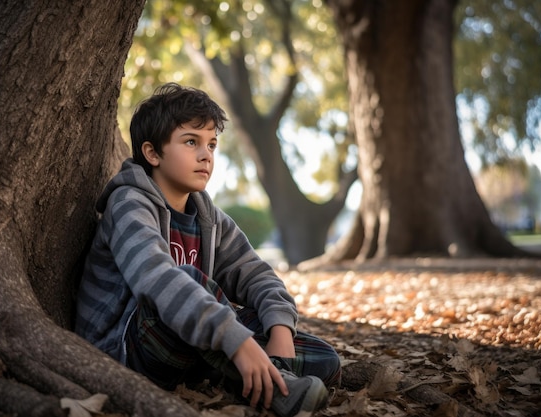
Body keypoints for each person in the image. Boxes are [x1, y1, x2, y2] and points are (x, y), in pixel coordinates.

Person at [75, 83, 341, 417]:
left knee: (323, 359)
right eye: (191, 142)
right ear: (153, 153)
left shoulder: (208, 216)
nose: (207, 155)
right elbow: (156, 280)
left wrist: (280, 333)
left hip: (192, 347)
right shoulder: (129, 204)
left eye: (212, 144)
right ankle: (271, 385)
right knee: (186, 280)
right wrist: (240, 342)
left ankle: (258, 371)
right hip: (129, 348)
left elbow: (257, 274)